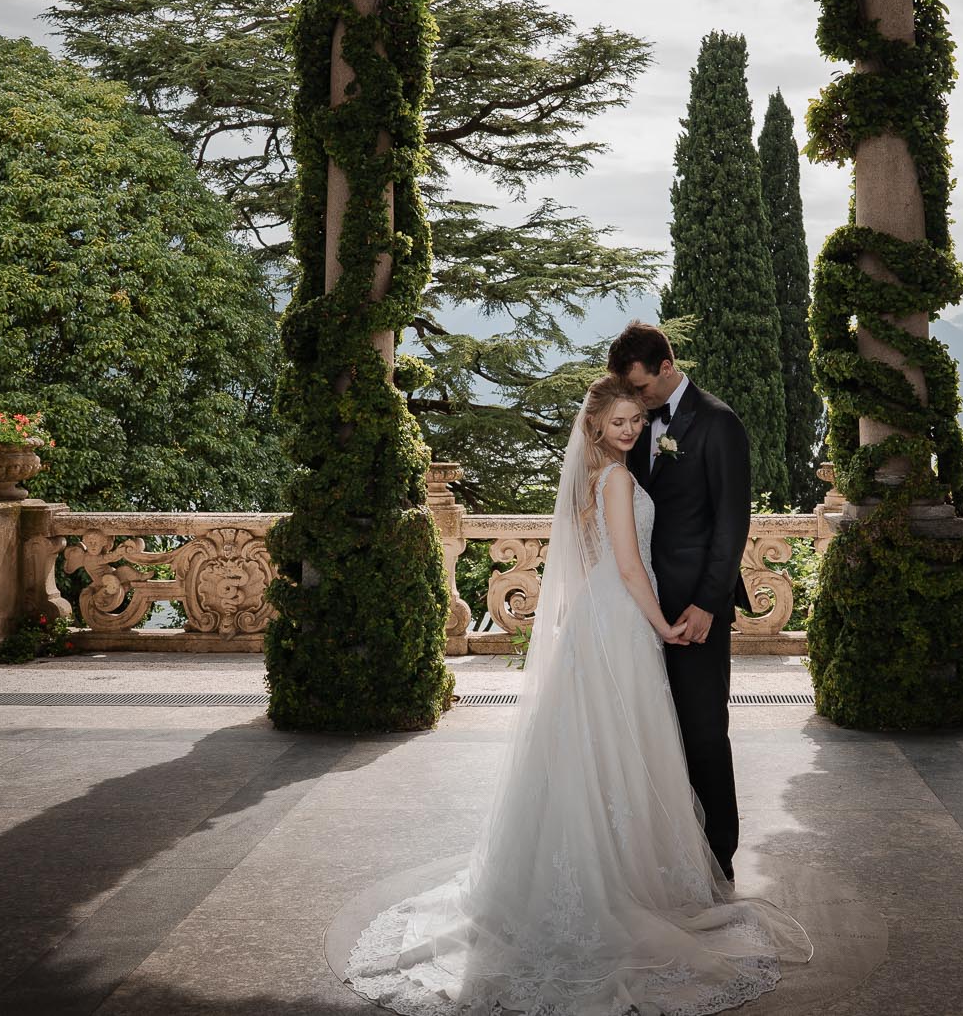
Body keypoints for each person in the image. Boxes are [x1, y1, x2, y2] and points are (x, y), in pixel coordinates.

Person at [345, 374, 808, 1015]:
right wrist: (661, 625)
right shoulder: (615, 478)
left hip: (598, 615)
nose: (631, 430)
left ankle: (592, 866)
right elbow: (629, 567)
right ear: (594, 425)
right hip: (621, 617)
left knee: (594, 744)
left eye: (636, 420)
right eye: (619, 422)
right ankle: (620, 877)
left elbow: (598, 563)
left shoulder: (590, 477)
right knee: (620, 740)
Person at [607, 320, 752, 880]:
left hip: (694, 608)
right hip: (639, 606)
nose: (634, 402)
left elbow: (731, 524)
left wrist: (709, 603)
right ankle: (668, 853)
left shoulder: (718, 423)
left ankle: (718, 856)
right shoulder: (633, 424)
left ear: (666, 368)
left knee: (703, 729)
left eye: (641, 388)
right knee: (652, 730)